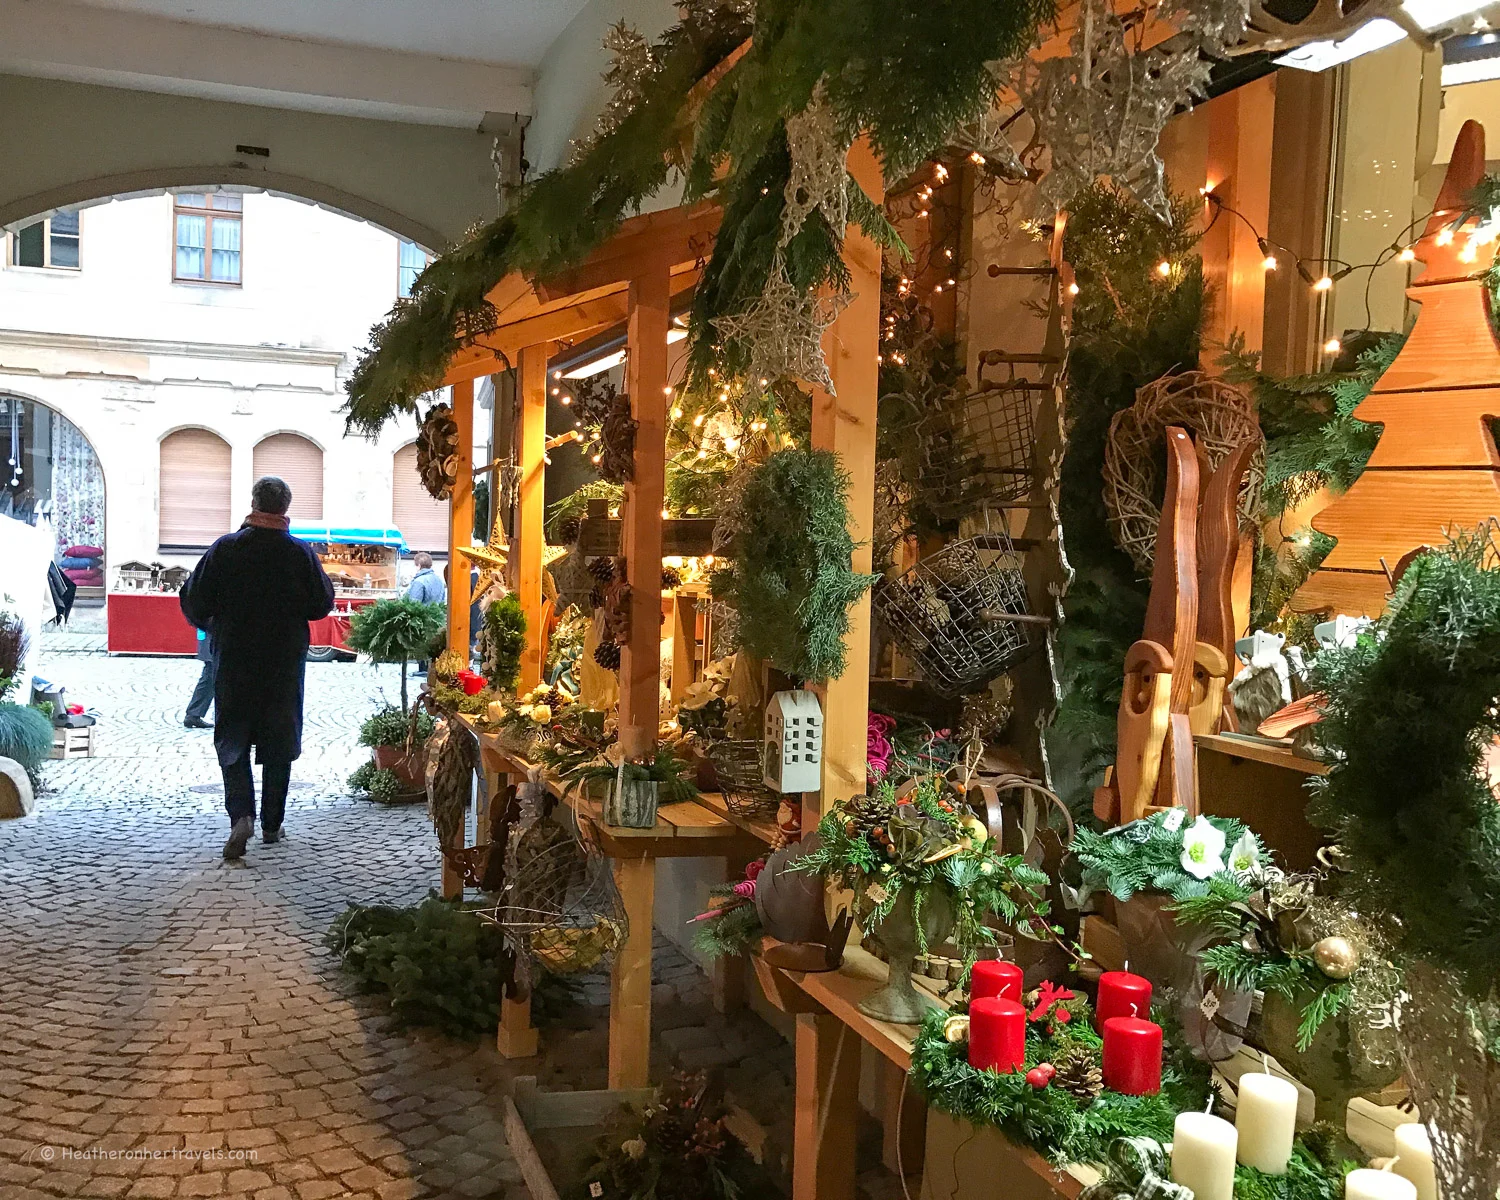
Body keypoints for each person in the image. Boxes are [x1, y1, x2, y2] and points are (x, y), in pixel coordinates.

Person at [180, 476, 334, 860]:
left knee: (232, 738)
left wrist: (215, 625)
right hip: (282, 663)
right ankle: (271, 823)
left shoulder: (225, 549)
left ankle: (240, 817)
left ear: (254, 503)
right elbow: (321, 603)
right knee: (278, 741)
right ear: (286, 508)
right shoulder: (300, 554)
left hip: (234, 659)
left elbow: (194, 600)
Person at [406, 552, 445, 673]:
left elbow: (413, 605)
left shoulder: (419, 582)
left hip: (422, 620)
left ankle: (422, 669)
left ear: (418, 565)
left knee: (421, 646)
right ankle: (430, 670)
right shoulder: (438, 580)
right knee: (433, 646)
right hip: (436, 619)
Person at [183, 627, 215, 729]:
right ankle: (193, 713)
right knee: (210, 676)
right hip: (211, 637)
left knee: (210, 676)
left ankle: (194, 713)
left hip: (210, 637)